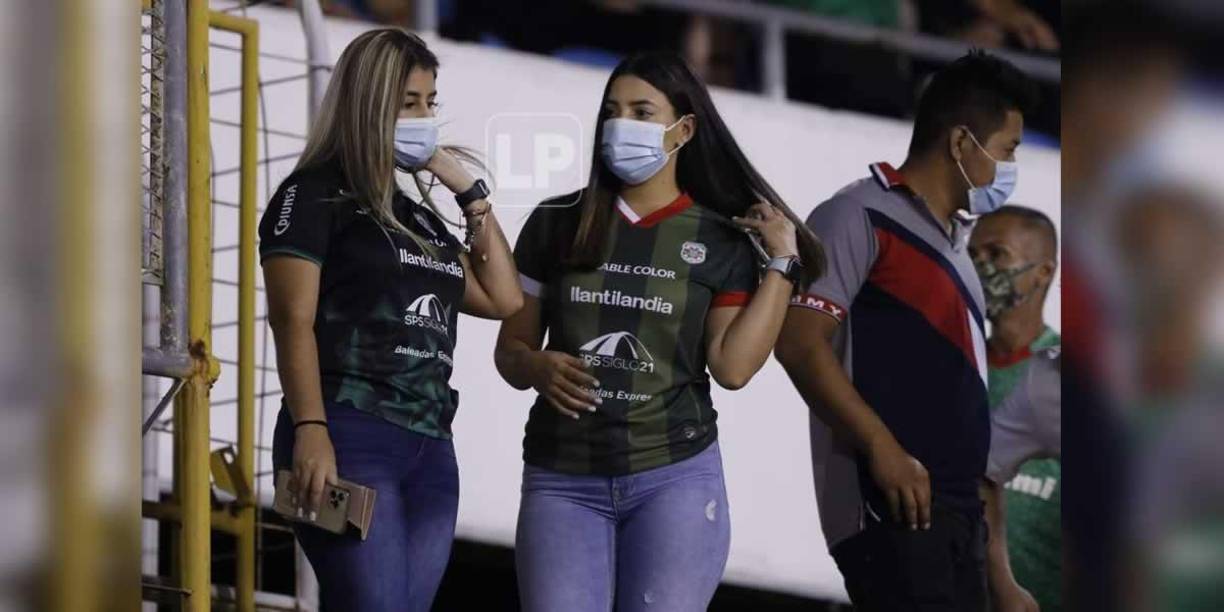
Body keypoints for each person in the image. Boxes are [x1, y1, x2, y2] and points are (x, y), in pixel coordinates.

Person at [494, 51, 824, 611]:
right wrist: (534, 365)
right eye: (613, 111)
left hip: (674, 480)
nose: (623, 124)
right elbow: (511, 352)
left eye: (643, 112)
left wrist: (781, 263)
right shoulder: (557, 219)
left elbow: (734, 367)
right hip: (562, 477)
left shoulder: (720, 239)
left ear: (684, 129)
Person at [259, 29, 522, 611]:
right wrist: (311, 429)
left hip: (431, 447)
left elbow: (504, 298)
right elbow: (290, 319)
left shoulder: (417, 218)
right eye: (410, 103)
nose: (425, 117)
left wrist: (468, 191)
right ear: (370, 103)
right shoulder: (311, 195)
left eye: (430, 102)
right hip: (348, 431)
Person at [774, 50, 1038, 611]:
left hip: (958, 520)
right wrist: (882, 448)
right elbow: (797, 342)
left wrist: (1001, 578)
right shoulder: (855, 215)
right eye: (1008, 149)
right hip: (894, 507)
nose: (1011, 166)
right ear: (962, 143)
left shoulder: (959, 249)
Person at [968, 205, 1061, 612]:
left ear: (1043, 272)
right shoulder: (953, 366)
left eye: (996, 254)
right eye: (972, 255)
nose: (979, 267)